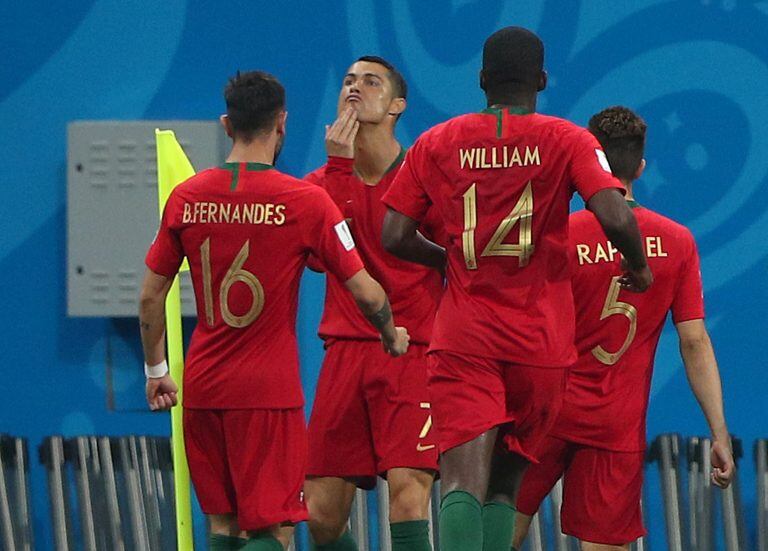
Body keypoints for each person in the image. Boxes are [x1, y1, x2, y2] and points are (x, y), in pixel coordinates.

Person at [381, 27, 652, 551]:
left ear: (481, 79)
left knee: (460, 479)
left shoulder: (438, 140)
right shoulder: (569, 139)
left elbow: (393, 233)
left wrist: (449, 260)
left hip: (465, 336)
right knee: (506, 483)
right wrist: (637, 266)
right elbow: (615, 214)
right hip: (540, 342)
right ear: (543, 80)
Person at [138, 70, 409, 551]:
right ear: (282, 123)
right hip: (267, 392)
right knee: (276, 530)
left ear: (227, 124)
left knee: (223, 525)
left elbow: (149, 296)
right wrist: (390, 333)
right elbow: (367, 291)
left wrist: (157, 370)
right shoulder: (305, 201)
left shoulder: (188, 197)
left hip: (202, 387)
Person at [512, 106, 735, 551]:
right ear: (641, 166)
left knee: (492, 538)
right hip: (615, 425)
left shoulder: (557, 235)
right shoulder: (676, 241)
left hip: (543, 413)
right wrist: (719, 432)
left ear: (588, 161)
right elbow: (694, 341)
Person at [304, 56, 443, 551]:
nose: (354, 88)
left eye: (370, 81)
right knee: (319, 517)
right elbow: (326, 260)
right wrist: (340, 172)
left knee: (408, 498)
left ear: (397, 106)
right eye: (346, 81)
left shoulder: (429, 179)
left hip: (415, 354)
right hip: (344, 353)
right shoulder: (319, 185)